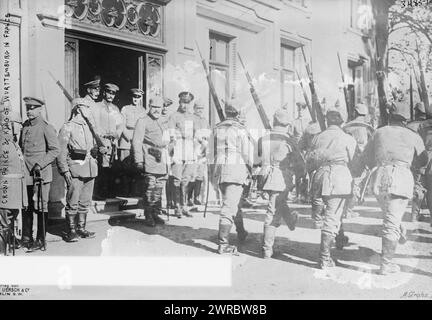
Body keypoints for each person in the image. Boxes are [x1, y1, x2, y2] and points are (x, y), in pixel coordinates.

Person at [354, 96, 427, 274]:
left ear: (390, 116)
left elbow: (366, 158)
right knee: (391, 222)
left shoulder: (379, 132)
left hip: (379, 178)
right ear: (405, 118)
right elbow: (424, 160)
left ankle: (397, 233)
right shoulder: (413, 135)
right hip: (401, 178)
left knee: (390, 216)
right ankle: (386, 264)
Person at [307, 109, 357, 269]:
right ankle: (324, 258)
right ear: (341, 122)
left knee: (331, 214)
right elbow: (354, 162)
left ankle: (337, 238)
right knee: (332, 216)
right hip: (339, 176)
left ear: (327, 122)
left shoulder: (317, 137)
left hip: (320, 175)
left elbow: (310, 160)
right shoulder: (347, 138)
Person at [57, 98, 104, 242]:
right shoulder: (68, 127)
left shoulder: (91, 128)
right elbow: (61, 151)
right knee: (73, 201)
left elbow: (93, 147)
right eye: (86, 107)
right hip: (75, 170)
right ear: (78, 109)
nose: (90, 110)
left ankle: (81, 228)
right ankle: (71, 230)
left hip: (90, 168)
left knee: (85, 201)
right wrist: (64, 170)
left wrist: (99, 150)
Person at [257, 108, 300, 258]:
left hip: (264, 176)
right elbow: (298, 162)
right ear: (287, 124)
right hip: (280, 177)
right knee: (273, 211)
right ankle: (267, 249)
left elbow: (257, 160)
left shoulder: (263, 138)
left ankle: (291, 221)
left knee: (278, 203)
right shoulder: (289, 140)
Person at [213, 101, 255, 255]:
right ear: (237, 114)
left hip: (220, 169)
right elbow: (247, 153)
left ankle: (241, 232)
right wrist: (253, 167)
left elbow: (210, 153)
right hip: (235, 169)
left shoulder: (216, 129)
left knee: (233, 203)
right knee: (229, 207)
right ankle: (223, 244)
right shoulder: (239, 130)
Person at [20, 97, 60, 252]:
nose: (29, 111)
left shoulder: (46, 127)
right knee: (27, 205)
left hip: (40, 174)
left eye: (32, 108)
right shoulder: (25, 126)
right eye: (27, 108)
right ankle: (26, 238)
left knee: (40, 206)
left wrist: (40, 164)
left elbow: (55, 150)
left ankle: (41, 240)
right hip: (26, 173)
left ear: (39, 109)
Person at [132, 96, 170, 227]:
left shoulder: (164, 121)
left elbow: (169, 139)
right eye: (154, 107)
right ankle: (148, 215)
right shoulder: (142, 121)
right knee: (150, 188)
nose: (156, 110)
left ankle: (155, 213)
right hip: (149, 158)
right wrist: (139, 160)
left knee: (159, 188)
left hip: (162, 159)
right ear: (149, 106)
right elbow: (136, 142)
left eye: (159, 107)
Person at [0, 99, 28, 255]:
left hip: (14, 191)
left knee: (8, 223)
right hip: (5, 190)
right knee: (3, 224)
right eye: (18, 123)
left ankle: (8, 250)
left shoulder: (12, 142)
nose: (21, 126)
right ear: (10, 124)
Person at [167, 91, 200, 218]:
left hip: (190, 149)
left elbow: (197, 133)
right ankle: (177, 207)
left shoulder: (193, 118)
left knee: (186, 180)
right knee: (176, 179)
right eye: (182, 102)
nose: (184, 105)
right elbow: (170, 133)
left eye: (187, 103)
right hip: (178, 148)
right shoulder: (174, 116)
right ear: (179, 102)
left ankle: (184, 205)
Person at [342, 103, 374, 220]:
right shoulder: (367, 128)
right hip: (361, 160)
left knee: (348, 183)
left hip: (347, 159)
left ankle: (345, 209)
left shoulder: (346, 126)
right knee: (356, 185)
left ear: (354, 112)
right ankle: (348, 211)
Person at [93, 83, 124, 198]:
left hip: (111, 143)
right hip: (100, 141)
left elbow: (120, 124)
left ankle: (107, 193)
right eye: (109, 92)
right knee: (100, 168)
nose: (111, 95)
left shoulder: (115, 109)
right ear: (104, 93)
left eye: (113, 93)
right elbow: (94, 125)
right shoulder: (97, 107)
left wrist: (117, 135)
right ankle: (98, 194)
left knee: (109, 168)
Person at [118, 88, 146, 196]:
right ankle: (124, 192)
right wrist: (128, 137)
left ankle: (135, 192)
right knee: (125, 167)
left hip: (138, 141)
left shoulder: (143, 111)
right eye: (134, 96)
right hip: (126, 140)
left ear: (141, 98)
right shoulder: (125, 109)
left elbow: (143, 126)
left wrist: (137, 139)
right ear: (131, 97)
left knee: (137, 168)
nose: (136, 99)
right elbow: (121, 124)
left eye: (138, 97)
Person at [187, 100, 210, 207]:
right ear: (194, 109)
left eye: (201, 109)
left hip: (203, 150)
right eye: (198, 108)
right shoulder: (191, 119)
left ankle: (196, 197)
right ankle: (189, 197)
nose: (200, 110)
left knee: (200, 175)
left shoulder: (205, 121)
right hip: (193, 149)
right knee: (192, 174)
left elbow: (209, 134)